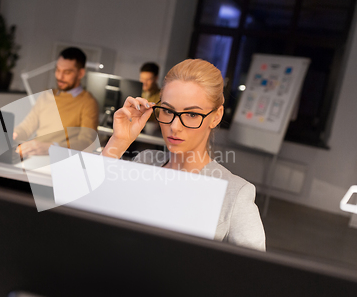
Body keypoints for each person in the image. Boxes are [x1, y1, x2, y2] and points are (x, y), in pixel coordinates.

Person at [102, 59, 266, 251]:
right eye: (168, 111)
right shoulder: (144, 162)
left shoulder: (235, 193)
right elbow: (89, 207)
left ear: (216, 116)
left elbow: (255, 274)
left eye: (192, 115)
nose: (174, 127)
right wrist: (119, 141)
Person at [14, 47, 99, 157]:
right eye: (58, 70)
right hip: (35, 157)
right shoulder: (47, 96)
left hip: (61, 161)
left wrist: (53, 147)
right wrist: (14, 134)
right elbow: (27, 127)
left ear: (81, 73)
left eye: (67, 72)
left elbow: (87, 142)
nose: (60, 76)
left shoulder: (88, 102)